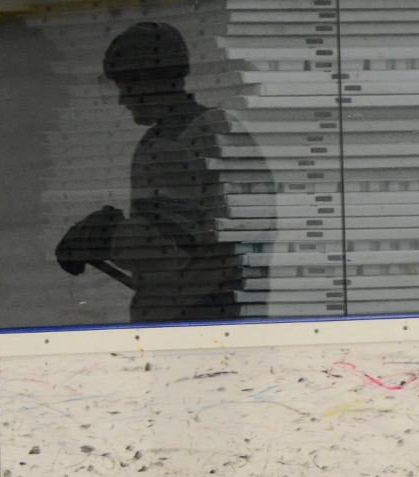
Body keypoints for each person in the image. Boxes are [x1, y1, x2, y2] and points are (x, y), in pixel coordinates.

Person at [55, 21, 273, 322]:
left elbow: (171, 252)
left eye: (126, 87)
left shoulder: (174, 142)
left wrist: (104, 234)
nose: (122, 100)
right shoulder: (222, 128)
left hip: (194, 319)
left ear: (149, 81)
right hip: (230, 314)